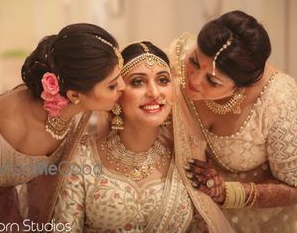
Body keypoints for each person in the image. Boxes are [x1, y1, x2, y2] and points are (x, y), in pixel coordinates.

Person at [0, 23, 125, 232]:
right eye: (112, 85)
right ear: (74, 95)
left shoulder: (71, 103)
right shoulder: (7, 132)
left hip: (1, 200)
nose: (123, 87)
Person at [169, 10, 297, 233]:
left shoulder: (277, 99)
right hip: (197, 201)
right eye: (195, 61)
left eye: (212, 80)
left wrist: (227, 193)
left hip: (265, 217)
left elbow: (296, 188)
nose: (194, 79)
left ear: (242, 87)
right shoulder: (177, 56)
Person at [51, 41, 234, 232]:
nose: (154, 93)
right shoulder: (83, 157)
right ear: (117, 93)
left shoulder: (187, 159)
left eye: (163, 80)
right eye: (138, 82)